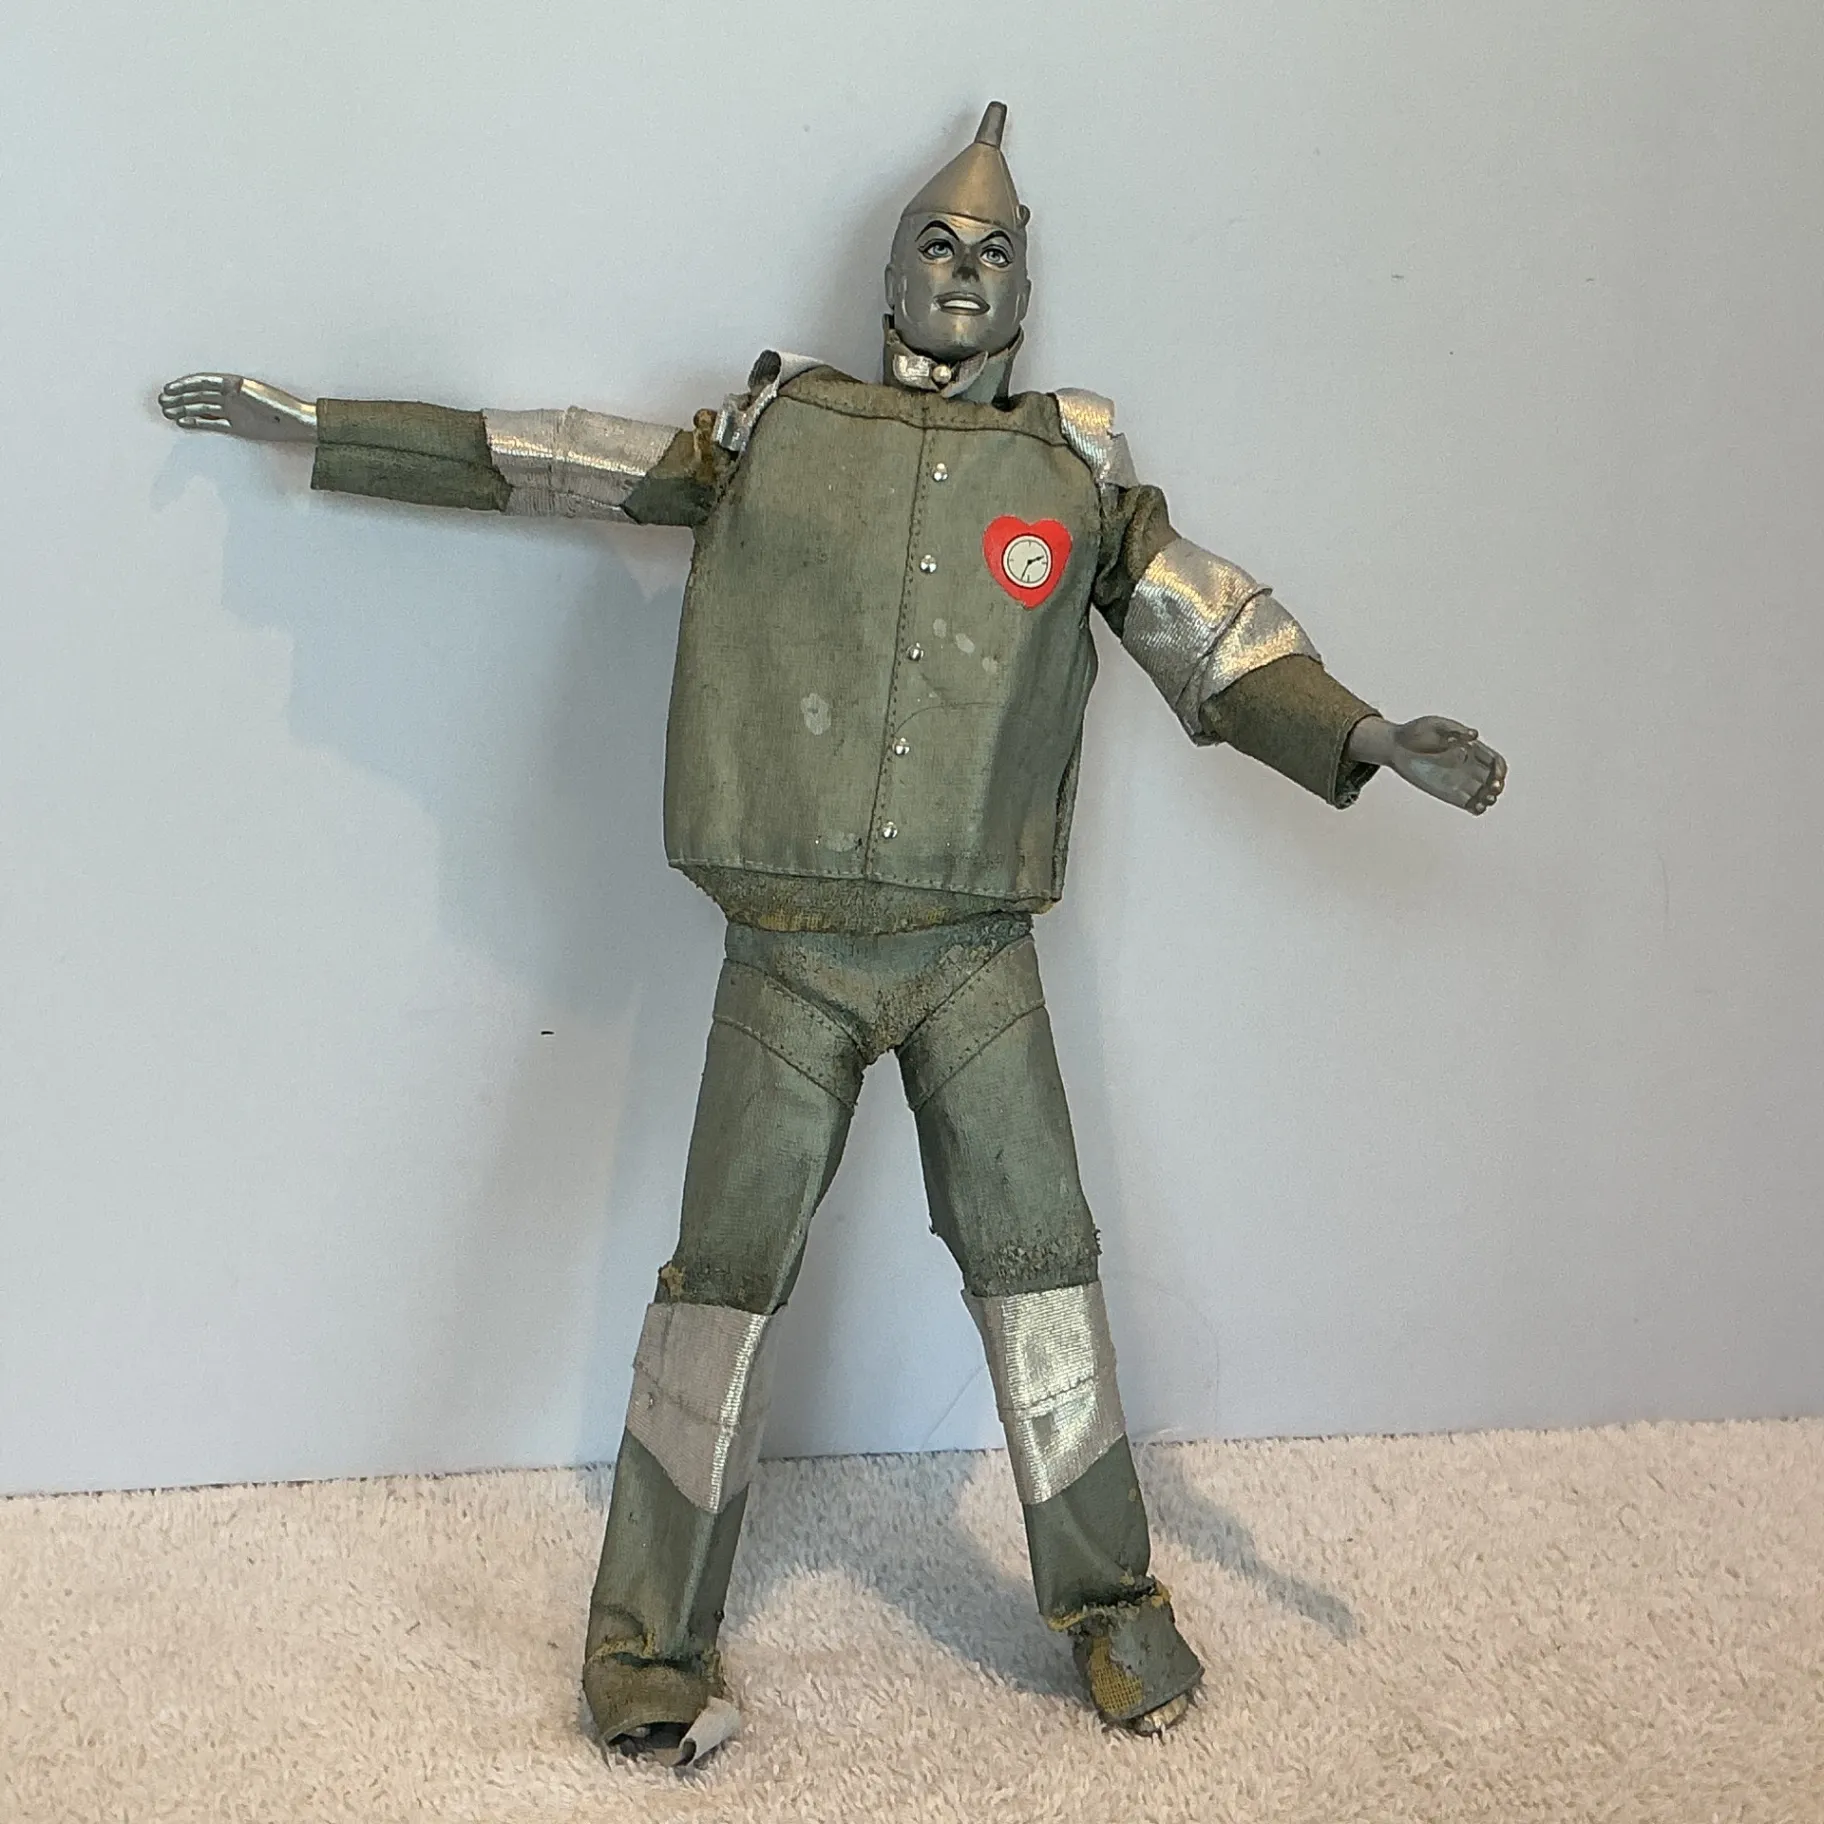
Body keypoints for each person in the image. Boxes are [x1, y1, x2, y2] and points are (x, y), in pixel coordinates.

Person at [161, 102, 1505, 1766]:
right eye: (938, 242)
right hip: (787, 946)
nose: (965, 270)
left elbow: (1211, 632)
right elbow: (551, 454)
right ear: (889, 272)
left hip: (973, 953)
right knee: (718, 1291)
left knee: (1045, 1270)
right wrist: (324, 426)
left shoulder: (1077, 479)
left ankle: (1109, 1604)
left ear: (1028, 292)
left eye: (995, 251)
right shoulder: (771, 432)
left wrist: (1359, 732)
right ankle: (647, 1651)